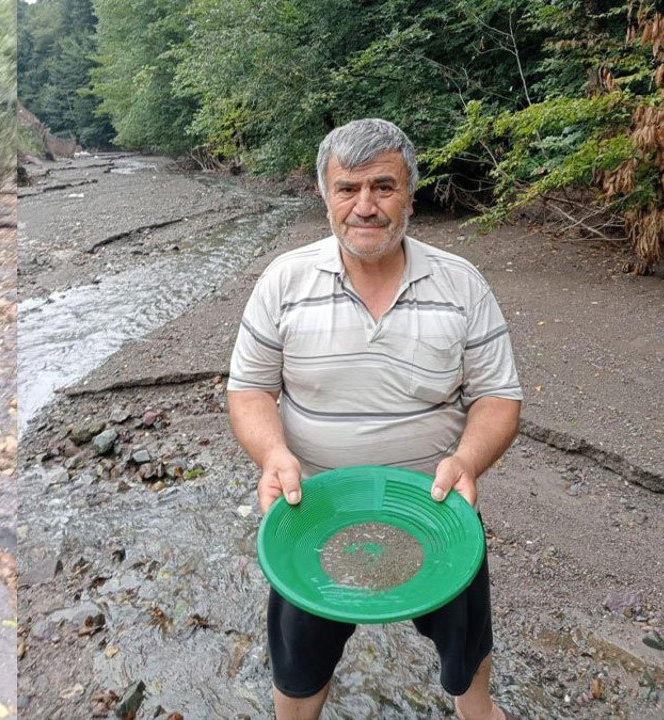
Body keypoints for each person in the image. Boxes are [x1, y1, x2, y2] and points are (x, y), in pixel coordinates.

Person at [226, 118, 523, 720]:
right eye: (348, 188)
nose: (366, 205)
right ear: (324, 193)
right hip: (309, 515)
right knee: (298, 675)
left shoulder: (462, 284)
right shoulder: (283, 281)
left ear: (411, 193)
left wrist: (467, 460)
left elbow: (498, 396)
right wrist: (273, 456)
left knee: (469, 668)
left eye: (384, 187)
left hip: (440, 514)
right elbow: (252, 389)